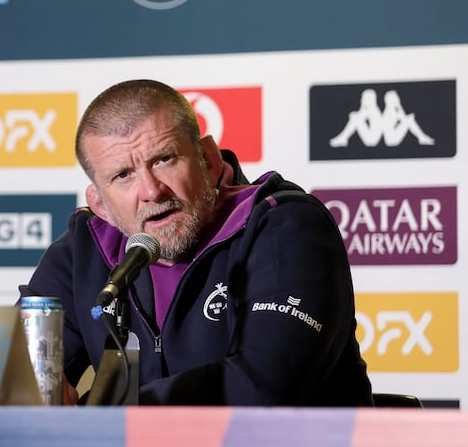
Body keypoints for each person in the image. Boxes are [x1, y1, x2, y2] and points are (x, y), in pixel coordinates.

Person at [20, 79, 373, 406]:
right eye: (123, 175)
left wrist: (102, 416)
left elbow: (266, 383)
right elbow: (18, 371)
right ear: (100, 204)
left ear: (207, 159)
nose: (151, 191)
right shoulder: (85, 250)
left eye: (164, 159)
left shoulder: (284, 226)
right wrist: (31, 393)